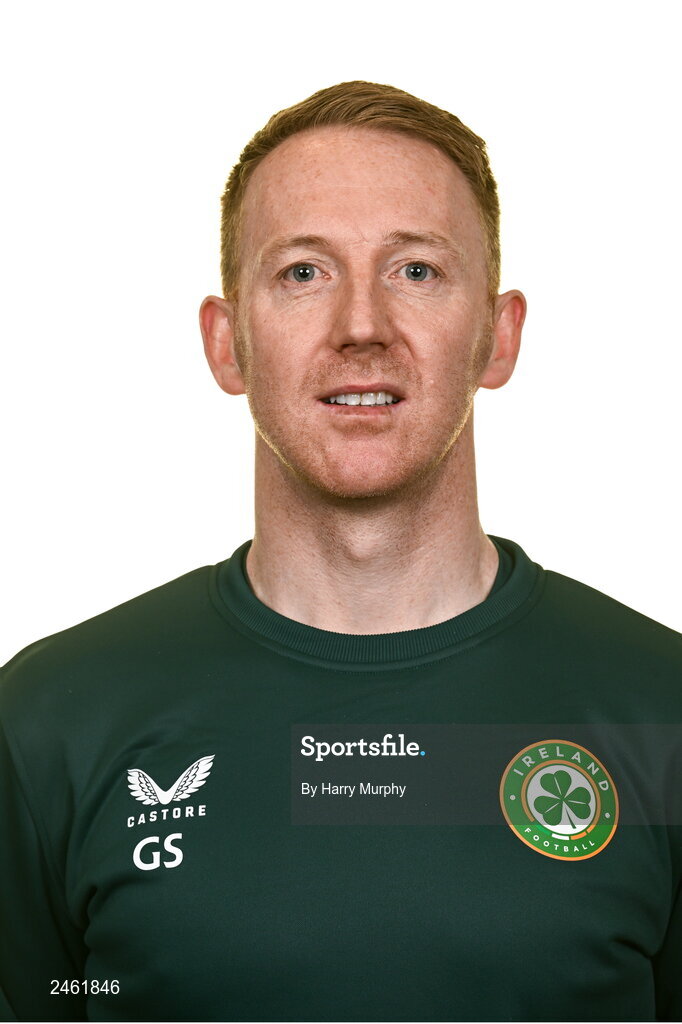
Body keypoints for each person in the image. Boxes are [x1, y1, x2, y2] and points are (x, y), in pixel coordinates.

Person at [1, 80, 680, 1024]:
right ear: (228, 342)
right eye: (303, 273)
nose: (361, 326)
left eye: (416, 271)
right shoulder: (51, 720)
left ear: (500, 333)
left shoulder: (661, 710)